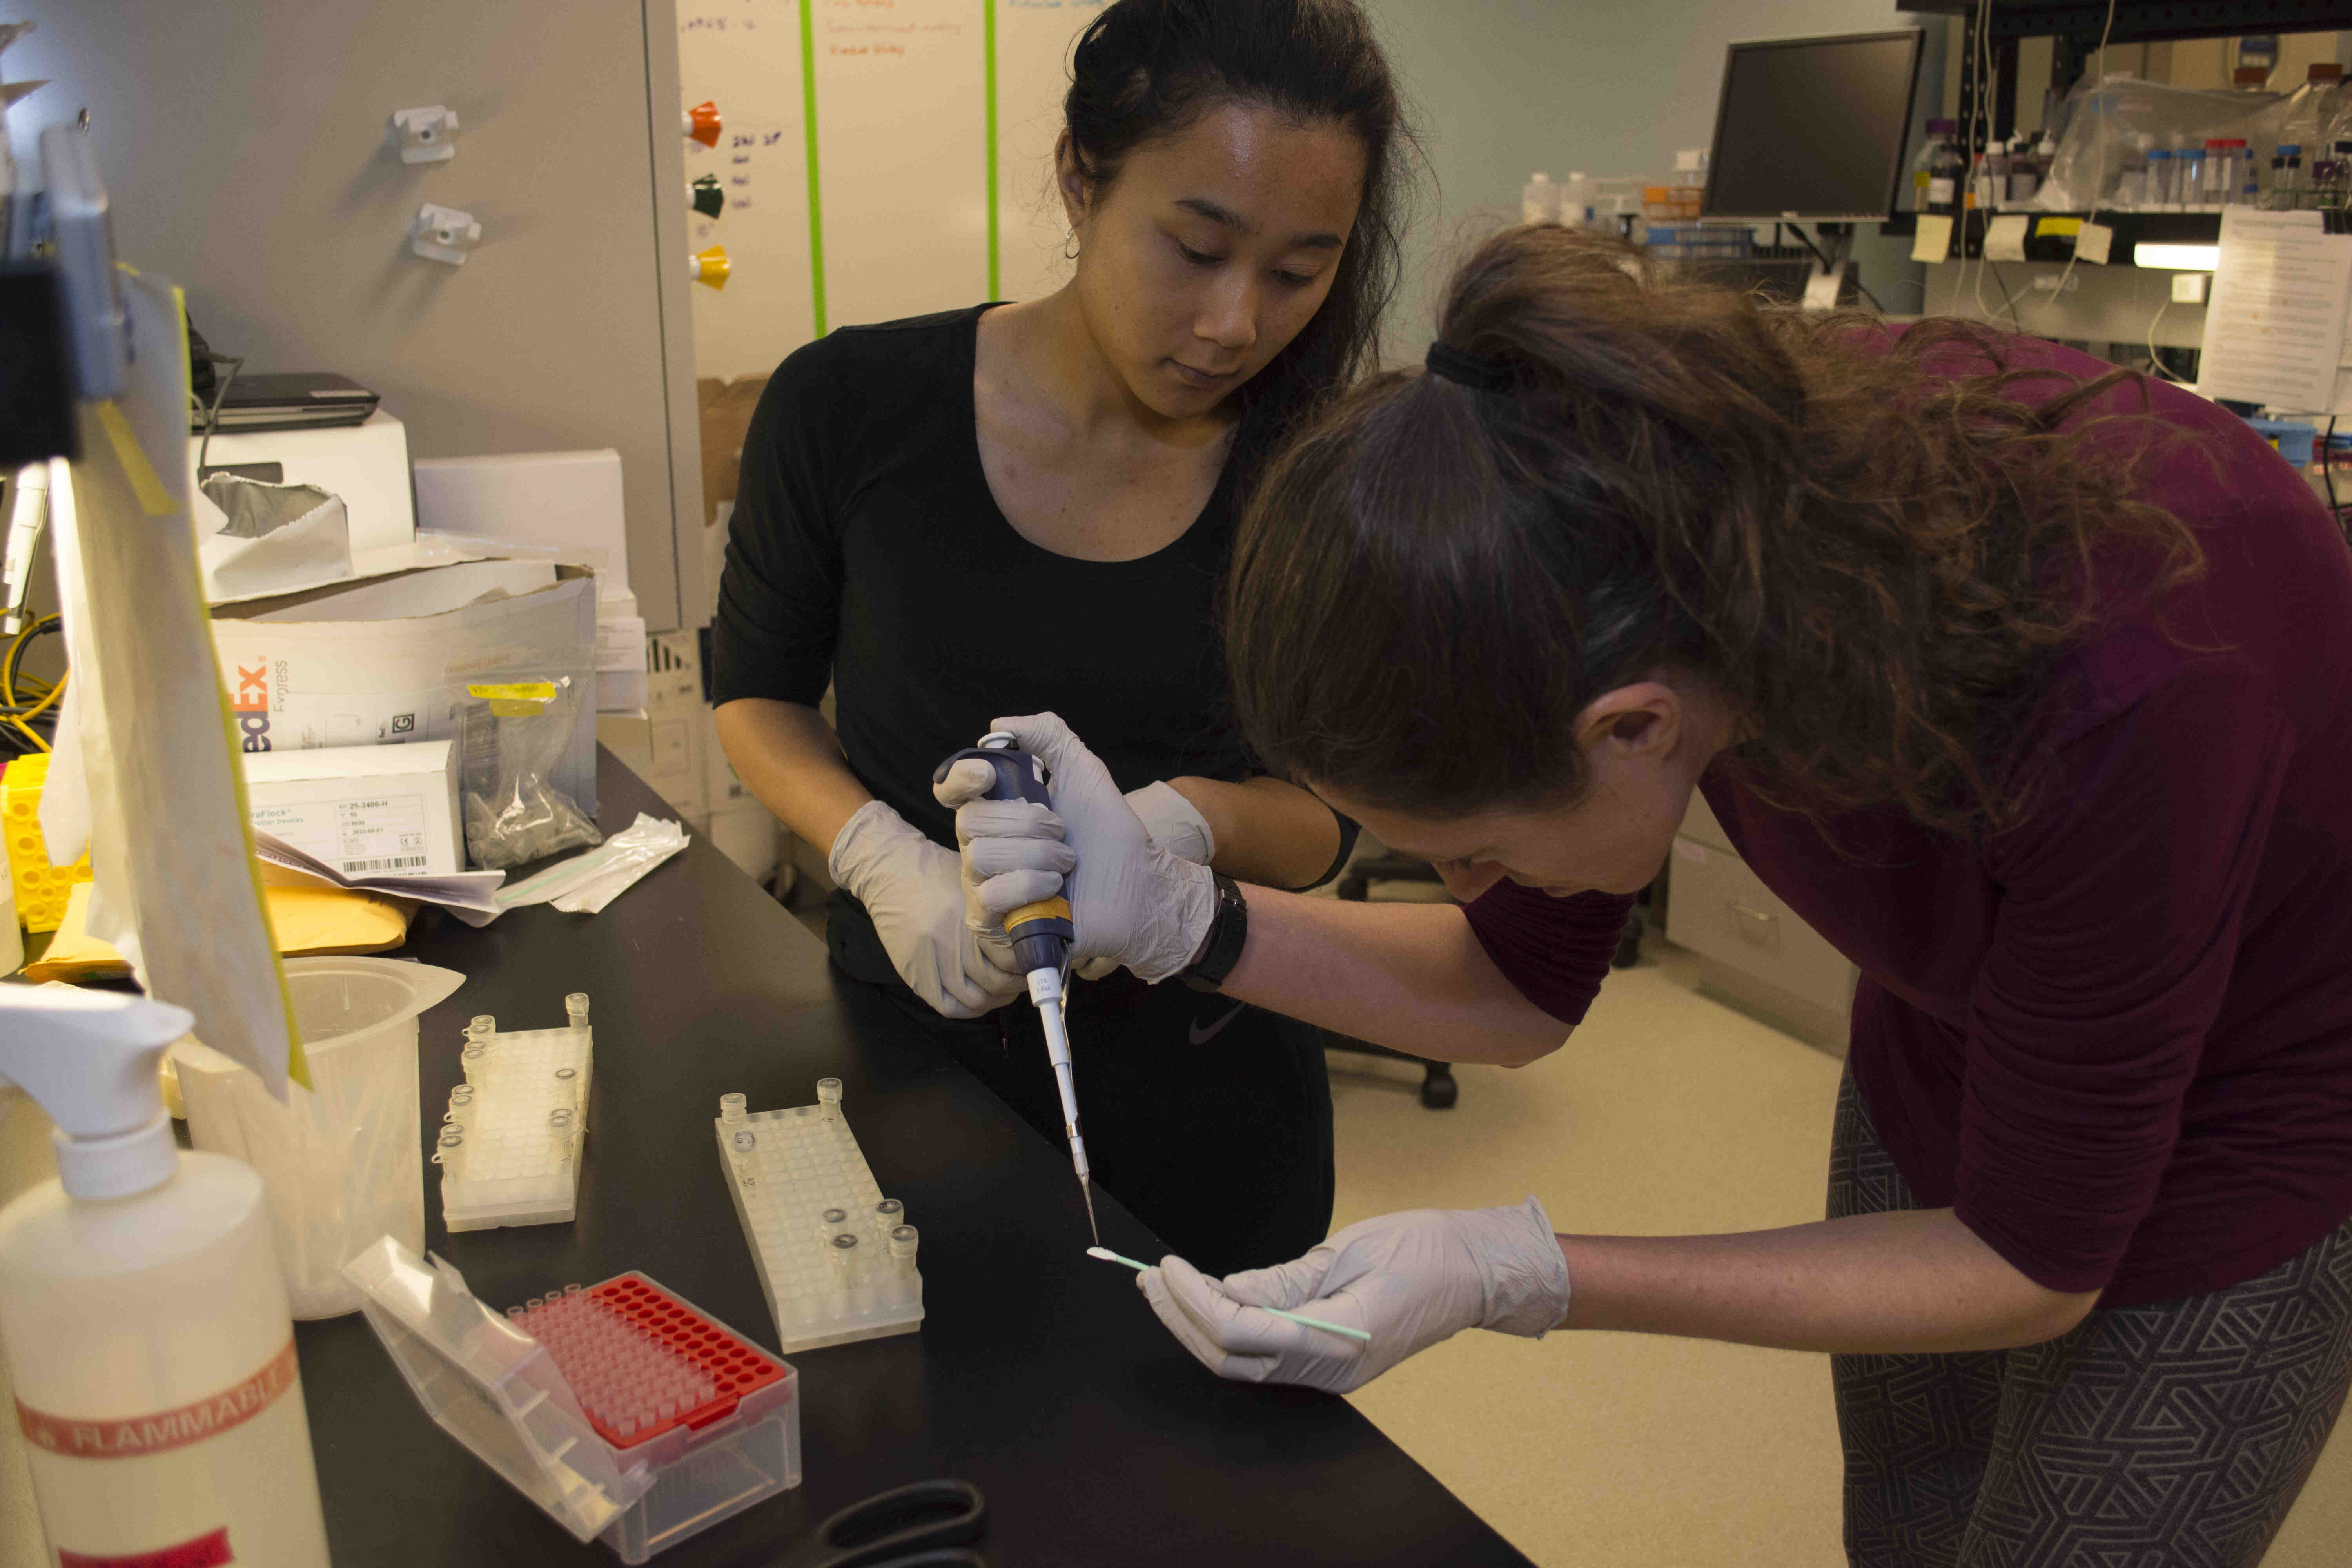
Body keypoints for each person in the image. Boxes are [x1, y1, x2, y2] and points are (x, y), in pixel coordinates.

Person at [940, 227, 2352, 1564]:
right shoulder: (1621, 557)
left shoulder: (2135, 674)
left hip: (2270, 1082)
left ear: (1634, 728)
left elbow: (2026, 1264)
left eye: (1480, 851)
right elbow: (1512, 988)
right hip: (1961, 1015)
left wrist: (1521, 1271)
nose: (1473, 886)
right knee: (1913, 1525)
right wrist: (1185, 918)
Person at [710, 0, 1410, 1275]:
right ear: (1080, 181)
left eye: (1301, 272)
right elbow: (755, 696)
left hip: (1212, 1092)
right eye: (1197, 248)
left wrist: (1178, 826)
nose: (1235, 324)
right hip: (916, 1059)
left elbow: (1325, 820)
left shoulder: (1317, 470)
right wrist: (878, 856)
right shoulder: (848, 406)